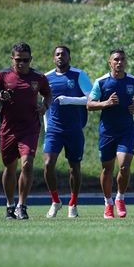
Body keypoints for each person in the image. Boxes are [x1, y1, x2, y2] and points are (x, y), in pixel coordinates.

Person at [0, 42, 52, 220]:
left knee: (27, 164)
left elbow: (48, 94)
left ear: (31, 59)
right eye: (18, 60)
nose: (22, 63)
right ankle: (9, 205)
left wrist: (44, 106)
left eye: (26, 60)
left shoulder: (38, 77)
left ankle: (22, 206)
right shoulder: (2, 75)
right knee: (10, 167)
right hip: (8, 129)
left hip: (29, 128)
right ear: (11, 59)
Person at [87, 49, 134, 219]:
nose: (119, 62)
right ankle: (108, 202)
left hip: (126, 130)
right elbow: (89, 105)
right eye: (116, 59)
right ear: (109, 62)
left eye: (122, 59)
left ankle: (120, 197)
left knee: (124, 165)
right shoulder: (102, 82)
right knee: (107, 168)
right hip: (107, 131)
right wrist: (106, 103)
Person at [42, 45, 92, 218]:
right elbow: (45, 105)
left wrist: (69, 100)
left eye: (63, 54)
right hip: (54, 130)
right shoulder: (46, 78)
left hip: (74, 129)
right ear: (53, 58)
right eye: (57, 54)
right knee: (48, 164)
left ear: (69, 57)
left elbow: (91, 99)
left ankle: (73, 203)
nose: (60, 57)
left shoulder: (79, 75)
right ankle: (55, 201)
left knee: (74, 168)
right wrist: (47, 126)